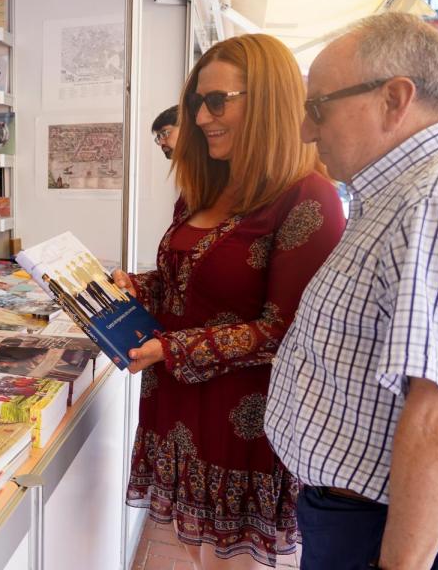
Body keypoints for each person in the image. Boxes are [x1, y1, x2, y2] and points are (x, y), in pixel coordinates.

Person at [110, 33, 346, 568]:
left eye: (217, 101)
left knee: (229, 561)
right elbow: (186, 278)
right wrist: (137, 287)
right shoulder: (205, 187)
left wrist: (172, 350)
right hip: (176, 413)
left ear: (268, 100)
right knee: (197, 552)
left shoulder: (309, 197)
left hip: (243, 427)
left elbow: (286, 329)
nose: (199, 117)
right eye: (197, 101)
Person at [265, 12, 438, 570]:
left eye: (317, 107)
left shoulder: (435, 199)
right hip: (355, 513)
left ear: (394, 99)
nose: (306, 130)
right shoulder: (397, 192)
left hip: (382, 527)